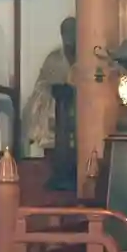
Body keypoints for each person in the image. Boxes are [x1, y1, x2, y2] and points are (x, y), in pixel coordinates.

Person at [24, 16, 76, 154]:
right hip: (55, 104)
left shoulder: (87, 57)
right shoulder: (54, 58)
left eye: (73, 31)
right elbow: (46, 85)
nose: (70, 36)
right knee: (49, 96)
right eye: (66, 32)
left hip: (79, 104)